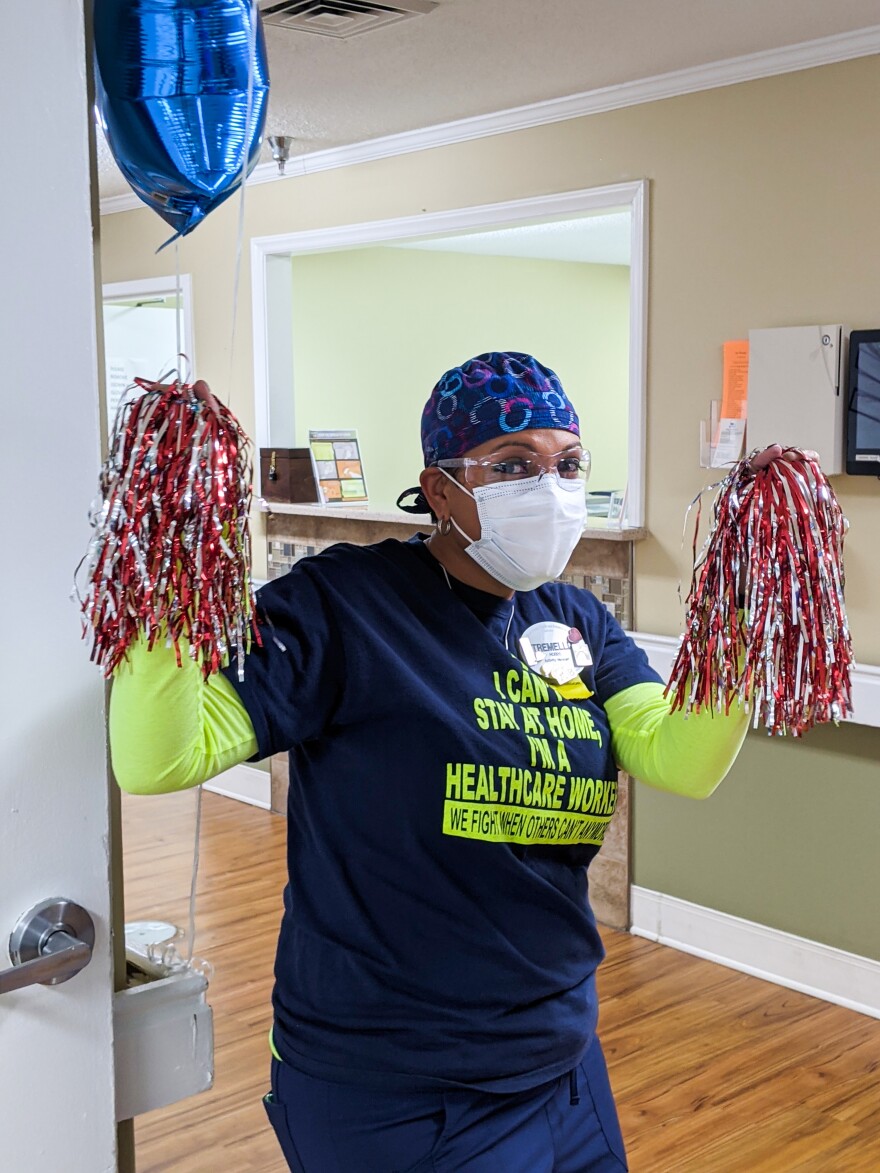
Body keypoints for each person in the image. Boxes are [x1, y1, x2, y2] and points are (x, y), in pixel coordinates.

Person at [110, 351, 792, 1172]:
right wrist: (170, 564)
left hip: (560, 1063)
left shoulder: (576, 620)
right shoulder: (344, 604)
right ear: (440, 489)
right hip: (395, 1086)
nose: (550, 487)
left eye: (567, 464)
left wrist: (746, 614)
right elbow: (162, 758)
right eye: (513, 465)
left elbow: (680, 758)